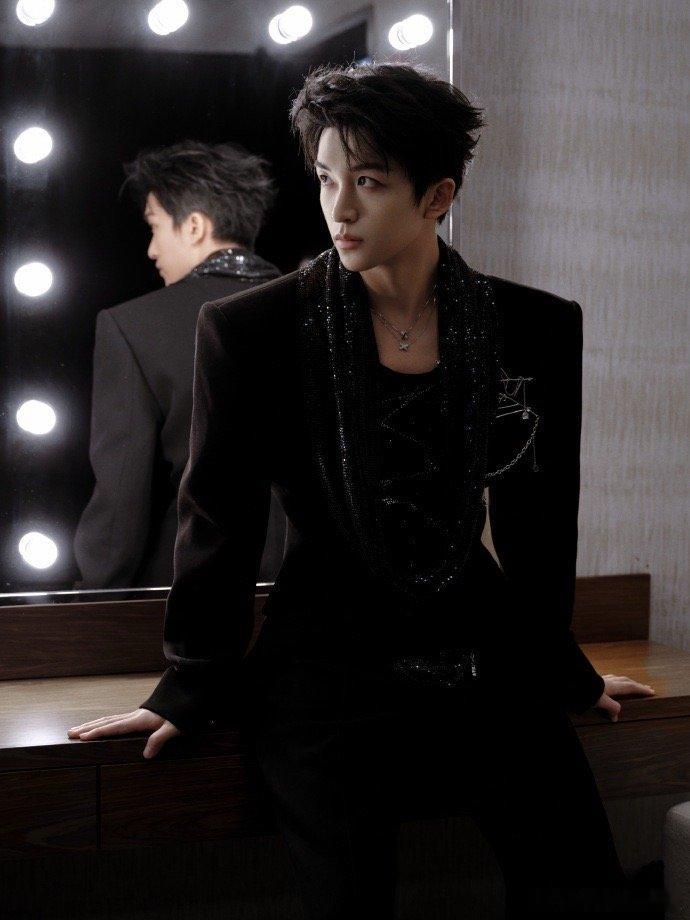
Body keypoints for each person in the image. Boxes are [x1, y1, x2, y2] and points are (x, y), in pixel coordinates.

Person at [68, 64, 660, 918]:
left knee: (582, 888)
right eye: (325, 180)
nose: (338, 209)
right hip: (322, 669)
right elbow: (219, 521)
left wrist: (560, 670)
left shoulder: (535, 325)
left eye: (370, 183)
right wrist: (189, 684)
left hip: (483, 657)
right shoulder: (251, 329)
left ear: (437, 196)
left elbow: (539, 526)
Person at [73, 139, 288, 588]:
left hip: (189, 598)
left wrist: (89, 604)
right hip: (317, 599)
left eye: (155, 227)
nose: (152, 250)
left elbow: (120, 508)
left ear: (193, 226)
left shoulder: (132, 325)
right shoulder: (323, 310)